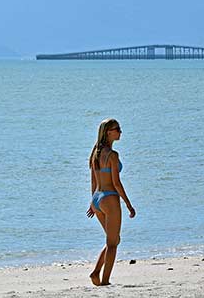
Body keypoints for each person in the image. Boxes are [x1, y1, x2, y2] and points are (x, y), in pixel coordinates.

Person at [86, 118, 136, 286]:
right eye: (117, 129)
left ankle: (96, 272)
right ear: (108, 132)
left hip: (97, 199)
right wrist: (128, 204)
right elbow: (116, 183)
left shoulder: (95, 153)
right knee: (112, 243)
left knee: (113, 239)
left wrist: (92, 203)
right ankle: (105, 281)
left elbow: (93, 181)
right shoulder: (113, 155)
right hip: (109, 198)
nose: (120, 132)